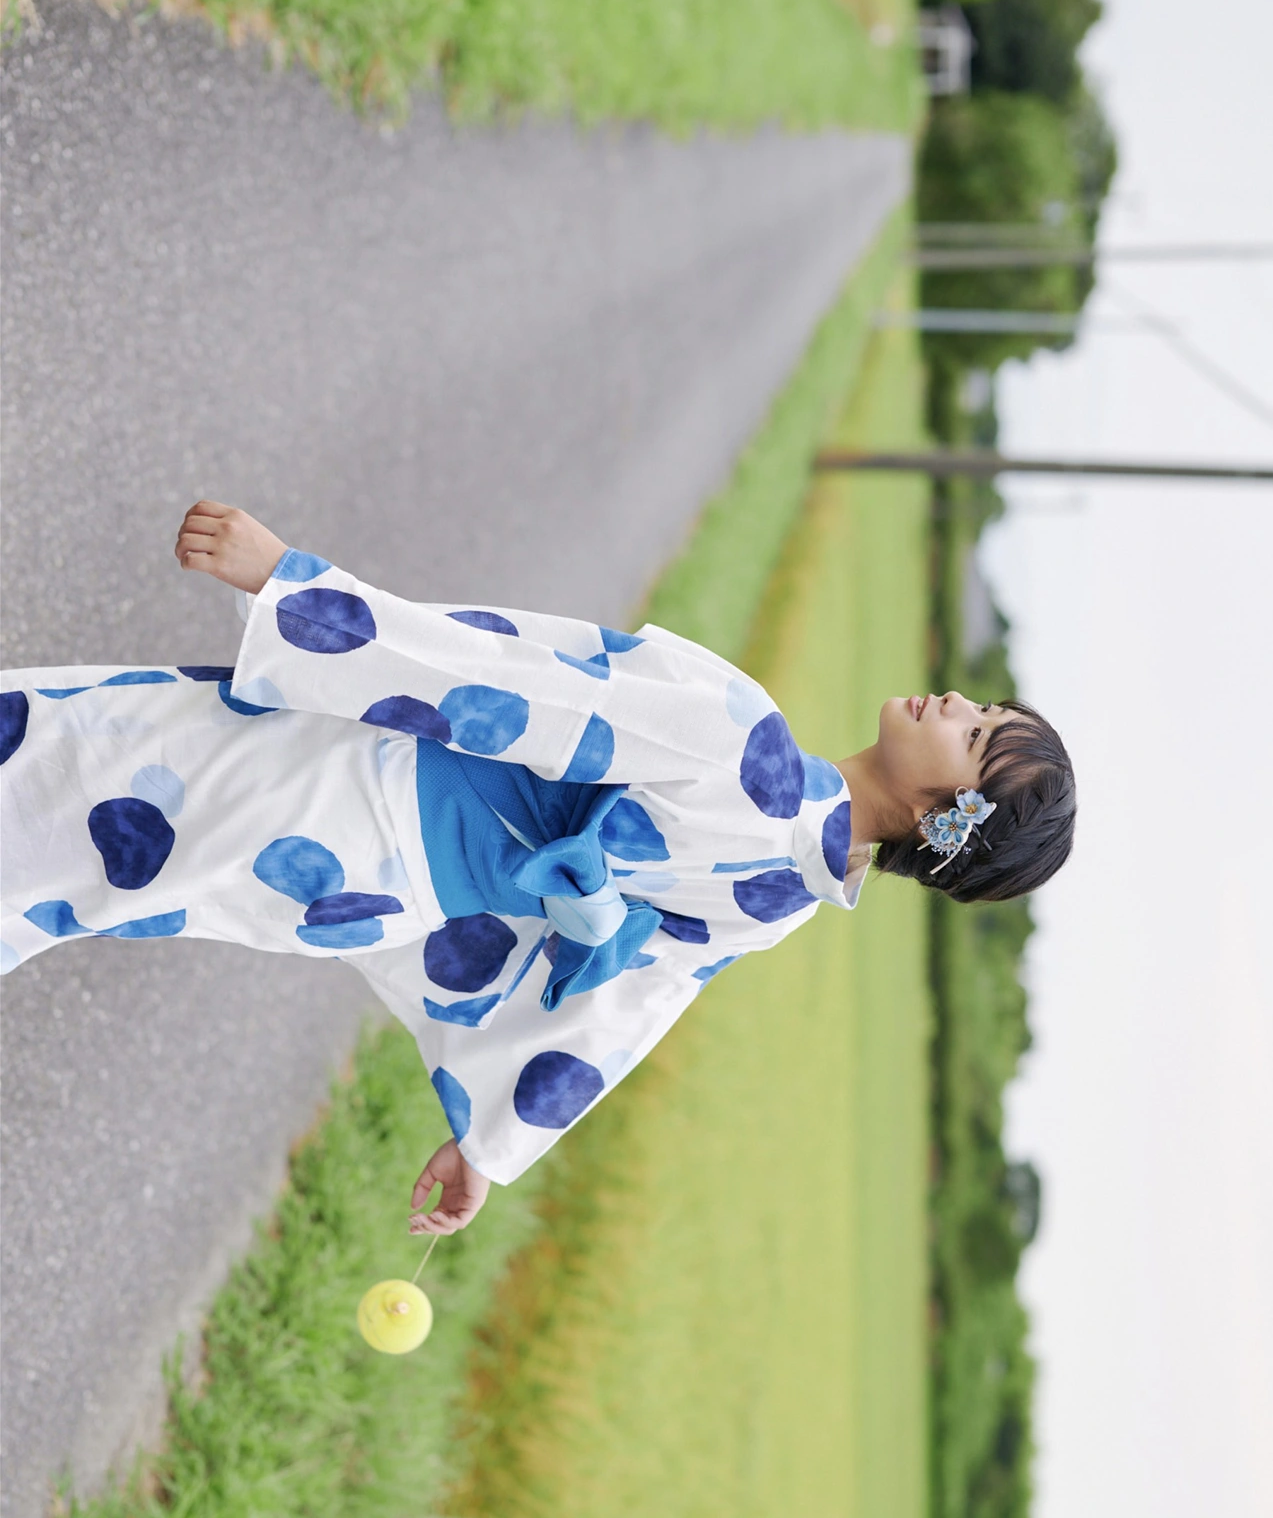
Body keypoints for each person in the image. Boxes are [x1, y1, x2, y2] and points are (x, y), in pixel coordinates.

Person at [1, 502, 1075, 1237]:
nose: (958, 703)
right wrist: (495, 1141)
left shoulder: (745, 745)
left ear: (948, 817)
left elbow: (515, 692)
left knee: (62, 767)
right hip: (359, 890)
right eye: (985, 709)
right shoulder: (786, 893)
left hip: (346, 790)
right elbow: (626, 1002)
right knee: (73, 877)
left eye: (977, 736)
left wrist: (296, 590)